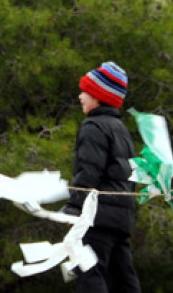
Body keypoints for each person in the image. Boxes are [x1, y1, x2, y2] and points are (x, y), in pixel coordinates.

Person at [62, 62, 141, 293]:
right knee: (123, 278)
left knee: (89, 272)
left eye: (85, 91)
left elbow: (89, 172)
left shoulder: (93, 126)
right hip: (121, 218)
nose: (80, 96)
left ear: (98, 96)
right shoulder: (121, 129)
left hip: (97, 217)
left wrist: (74, 208)